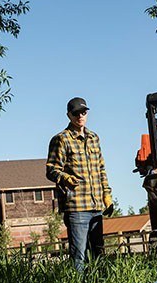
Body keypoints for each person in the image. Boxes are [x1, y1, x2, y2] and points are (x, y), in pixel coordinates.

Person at [46, 97, 113, 271]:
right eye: (76, 113)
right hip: (76, 207)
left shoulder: (93, 138)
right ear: (69, 115)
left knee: (98, 253)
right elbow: (51, 170)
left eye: (83, 112)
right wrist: (64, 178)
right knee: (79, 256)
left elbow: (101, 169)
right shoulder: (61, 139)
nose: (80, 116)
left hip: (96, 205)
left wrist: (107, 194)